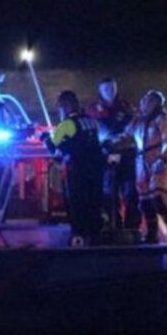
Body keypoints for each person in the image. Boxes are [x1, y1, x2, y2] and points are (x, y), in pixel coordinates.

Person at [42, 90, 105, 245]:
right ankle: (96, 236)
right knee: (94, 203)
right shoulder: (91, 121)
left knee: (77, 203)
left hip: (78, 170)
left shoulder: (67, 124)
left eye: (61, 107)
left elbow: (55, 148)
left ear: (66, 106)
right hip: (96, 170)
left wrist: (44, 138)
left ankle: (79, 236)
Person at [87, 77, 140, 233]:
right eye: (106, 89)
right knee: (109, 195)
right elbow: (91, 133)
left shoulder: (127, 107)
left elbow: (133, 129)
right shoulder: (93, 110)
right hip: (105, 159)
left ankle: (132, 229)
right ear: (100, 91)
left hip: (127, 157)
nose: (110, 92)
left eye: (112, 88)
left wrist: (120, 141)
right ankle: (113, 227)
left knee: (130, 194)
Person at [132, 89, 167, 244]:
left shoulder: (162, 120)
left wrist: (163, 158)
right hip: (141, 162)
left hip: (156, 161)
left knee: (158, 197)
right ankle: (152, 234)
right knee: (145, 202)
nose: (143, 103)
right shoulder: (139, 121)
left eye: (147, 100)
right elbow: (127, 134)